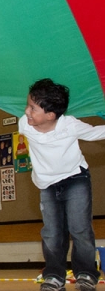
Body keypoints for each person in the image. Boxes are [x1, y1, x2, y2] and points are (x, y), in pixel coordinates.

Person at [18, 79, 105, 291]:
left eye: (33, 108)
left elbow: (96, 133)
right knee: (52, 232)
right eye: (28, 105)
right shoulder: (24, 124)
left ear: (51, 115)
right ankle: (54, 275)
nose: (26, 111)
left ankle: (86, 273)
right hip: (47, 185)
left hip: (75, 179)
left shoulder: (69, 125)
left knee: (80, 227)